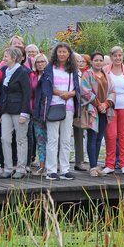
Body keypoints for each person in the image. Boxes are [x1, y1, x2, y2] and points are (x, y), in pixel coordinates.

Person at [35, 42, 80, 180]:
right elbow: (45, 88)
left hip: (69, 107)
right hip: (53, 107)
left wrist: (70, 94)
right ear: (56, 53)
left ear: (69, 54)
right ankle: (51, 170)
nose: (61, 54)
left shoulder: (73, 70)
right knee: (53, 139)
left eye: (64, 52)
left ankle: (65, 169)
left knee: (66, 140)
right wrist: (61, 92)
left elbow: (77, 89)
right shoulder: (50, 69)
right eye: (59, 51)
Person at [102, 46, 124, 175]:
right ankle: (110, 164)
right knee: (111, 135)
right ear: (111, 57)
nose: (117, 58)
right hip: (110, 107)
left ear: (122, 57)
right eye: (115, 55)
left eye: (120, 55)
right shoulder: (105, 70)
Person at [0, 47, 32, 179]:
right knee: (4, 138)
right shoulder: (6, 71)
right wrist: (1, 112)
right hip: (6, 110)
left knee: (21, 139)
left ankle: (21, 168)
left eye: (6, 56)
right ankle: (8, 167)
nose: (4, 58)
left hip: (19, 110)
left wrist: (24, 113)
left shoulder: (22, 72)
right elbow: (3, 92)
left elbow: (27, 93)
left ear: (13, 58)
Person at [80, 52, 116, 176]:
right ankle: (93, 166)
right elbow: (85, 91)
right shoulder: (87, 74)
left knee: (99, 138)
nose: (99, 62)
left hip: (104, 111)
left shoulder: (106, 75)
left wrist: (105, 105)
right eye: (96, 60)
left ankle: (95, 165)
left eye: (101, 60)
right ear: (91, 62)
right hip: (93, 110)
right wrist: (98, 104)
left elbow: (112, 91)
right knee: (92, 137)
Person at [31, 53, 49, 176]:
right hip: (36, 111)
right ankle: (42, 165)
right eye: (38, 62)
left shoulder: (50, 76)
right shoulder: (32, 76)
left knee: (51, 139)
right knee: (40, 139)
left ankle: (52, 165)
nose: (40, 64)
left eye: (43, 61)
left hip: (48, 112)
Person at [72, 52, 89, 171]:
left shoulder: (83, 74)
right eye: (76, 61)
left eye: (80, 61)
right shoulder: (67, 73)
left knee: (79, 135)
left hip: (79, 108)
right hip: (67, 106)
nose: (78, 63)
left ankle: (79, 161)